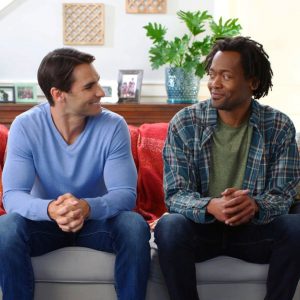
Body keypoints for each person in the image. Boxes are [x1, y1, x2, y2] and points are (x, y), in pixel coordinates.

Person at [155, 36, 300, 300]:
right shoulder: (185, 123)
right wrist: (211, 206)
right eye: (212, 74)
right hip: (202, 230)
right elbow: (175, 195)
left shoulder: (278, 126)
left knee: (296, 226)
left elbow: (283, 195)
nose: (214, 84)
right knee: (170, 227)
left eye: (226, 76)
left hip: (255, 232)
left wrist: (254, 206)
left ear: (252, 83)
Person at [0, 48, 151, 300]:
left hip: (96, 222)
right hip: (44, 224)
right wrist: (51, 210)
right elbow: (13, 196)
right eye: (89, 86)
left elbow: (125, 195)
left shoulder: (113, 126)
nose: (101, 92)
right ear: (59, 94)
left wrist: (85, 207)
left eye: (98, 82)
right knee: (5, 228)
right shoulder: (25, 126)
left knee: (133, 225)